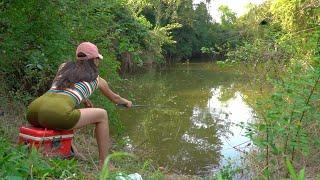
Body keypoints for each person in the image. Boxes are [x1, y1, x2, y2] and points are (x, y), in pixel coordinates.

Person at [26, 42, 132, 168]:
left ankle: (69, 148)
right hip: (57, 113)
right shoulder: (98, 80)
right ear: (95, 59)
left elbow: (61, 90)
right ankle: (104, 163)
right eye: (98, 59)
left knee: (67, 112)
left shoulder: (63, 67)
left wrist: (83, 98)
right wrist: (127, 102)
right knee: (102, 115)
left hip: (33, 110)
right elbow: (115, 98)